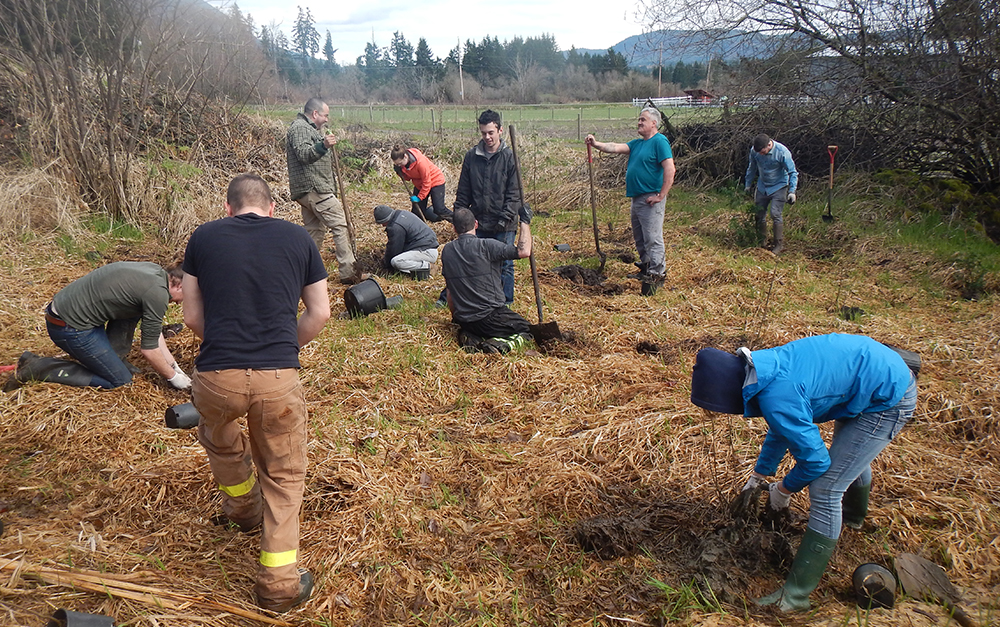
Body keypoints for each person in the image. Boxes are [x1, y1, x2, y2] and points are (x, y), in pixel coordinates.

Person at [182, 173, 331, 612]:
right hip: (278, 378)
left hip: (215, 376)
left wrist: (227, 348)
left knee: (218, 437)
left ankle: (243, 511)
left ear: (228, 208)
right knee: (284, 476)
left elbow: (191, 316)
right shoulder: (298, 238)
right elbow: (319, 313)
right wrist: (282, 347)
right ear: (271, 208)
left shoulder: (203, 237)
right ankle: (280, 586)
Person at [690, 333, 918, 612]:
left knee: (826, 487)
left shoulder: (778, 394)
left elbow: (816, 463)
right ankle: (853, 522)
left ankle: (797, 595)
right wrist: (759, 476)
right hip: (868, 376)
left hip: (889, 394)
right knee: (848, 458)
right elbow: (781, 426)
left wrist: (782, 491)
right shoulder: (765, 369)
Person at [3, 261, 189, 391]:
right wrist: (173, 378)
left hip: (72, 314)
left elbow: (153, 332)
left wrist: (173, 365)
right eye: (186, 296)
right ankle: (38, 368)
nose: (181, 304)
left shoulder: (156, 274)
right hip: (69, 327)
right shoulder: (157, 294)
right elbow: (149, 349)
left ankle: (116, 359)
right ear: (179, 286)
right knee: (120, 381)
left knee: (136, 310)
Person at [585, 107, 675, 295]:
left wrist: (660, 195)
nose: (639, 123)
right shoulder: (637, 144)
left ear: (654, 123)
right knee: (640, 237)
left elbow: (670, 169)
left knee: (653, 238)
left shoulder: (660, 142)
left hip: (651, 199)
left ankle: (656, 275)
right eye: (639, 120)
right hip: (637, 198)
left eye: (643, 120)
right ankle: (646, 267)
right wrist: (596, 144)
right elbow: (615, 147)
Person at [453, 109, 523, 305]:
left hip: (504, 223)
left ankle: (506, 302)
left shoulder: (509, 157)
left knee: (505, 264)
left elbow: (514, 191)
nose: (487, 137)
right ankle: (470, 298)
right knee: (471, 261)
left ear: (500, 130)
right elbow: (464, 189)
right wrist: (459, 215)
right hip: (479, 221)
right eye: (483, 133)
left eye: (491, 132)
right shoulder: (471, 157)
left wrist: (505, 216)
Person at [286, 97, 359, 284]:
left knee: (314, 232)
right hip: (315, 189)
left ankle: (303, 273)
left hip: (310, 190)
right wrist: (323, 145)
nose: (327, 119)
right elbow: (303, 155)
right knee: (340, 225)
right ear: (315, 113)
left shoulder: (310, 129)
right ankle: (349, 272)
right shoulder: (300, 128)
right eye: (325, 115)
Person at [441, 208, 533, 354]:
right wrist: (525, 222)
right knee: (529, 330)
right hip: (490, 316)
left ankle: (471, 337)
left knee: (475, 327)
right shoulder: (487, 246)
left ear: (454, 228)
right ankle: (498, 345)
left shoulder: (447, 251)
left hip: (465, 319)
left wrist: (457, 318)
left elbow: (450, 291)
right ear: (476, 224)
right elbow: (524, 251)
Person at [745, 133, 798, 254]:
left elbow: (793, 172)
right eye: (758, 152)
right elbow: (752, 167)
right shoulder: (754, 151)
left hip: (779, 186)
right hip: (762, 186)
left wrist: (792, 192)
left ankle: (778, 245)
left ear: (769, 145)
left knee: (775, 213)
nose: (760, 154)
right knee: (758, 213)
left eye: (762, 152)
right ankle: (762, 242)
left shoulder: (782, 152)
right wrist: (748, 185)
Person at [373, 204, 439, 280]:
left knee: (396, 261)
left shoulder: (396, 227)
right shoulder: (402, 213)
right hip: (427, 246)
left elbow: (394, 249)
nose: (382, 225)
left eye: (382, 223)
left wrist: (386, 265)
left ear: (385, 220)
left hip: (427, 252)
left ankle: (427, 267)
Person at [391, 144, 454, 223]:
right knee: (417, 210)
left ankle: (459, 221)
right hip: (420, 184)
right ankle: (418, 228)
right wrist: (399, 172)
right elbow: (408, 178)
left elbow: (427, 183)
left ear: (405, 157)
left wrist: (420, 197)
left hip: (435, 181)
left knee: (439, 209)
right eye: (397, 164)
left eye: (400, 163)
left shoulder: (420, 163)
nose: (399, 165)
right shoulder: (403, 164)